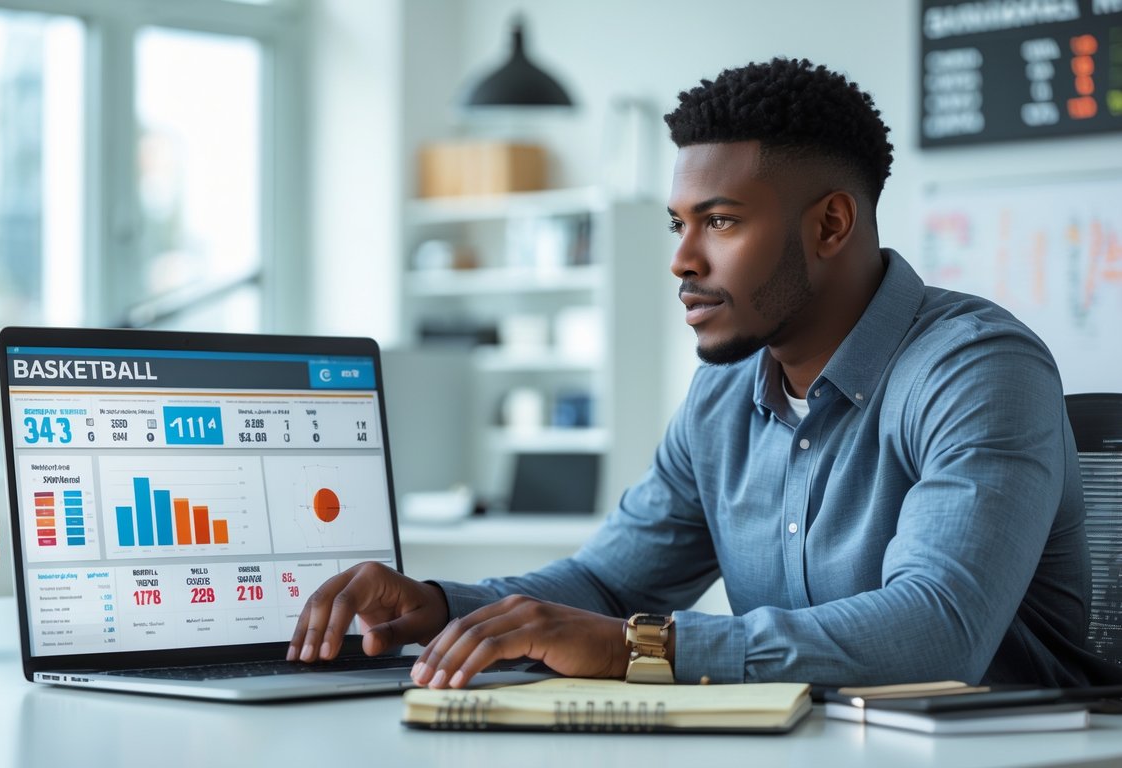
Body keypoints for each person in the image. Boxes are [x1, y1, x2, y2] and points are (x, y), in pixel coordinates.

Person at [288, 58, 1119, 687]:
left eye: (720, 222)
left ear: (831, 223)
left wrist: (640, 649)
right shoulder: (725, 391)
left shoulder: (975, 370)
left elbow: (937, 631)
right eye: (678, 224)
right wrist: (439, 607)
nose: (682, 260)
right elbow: (609, 581)